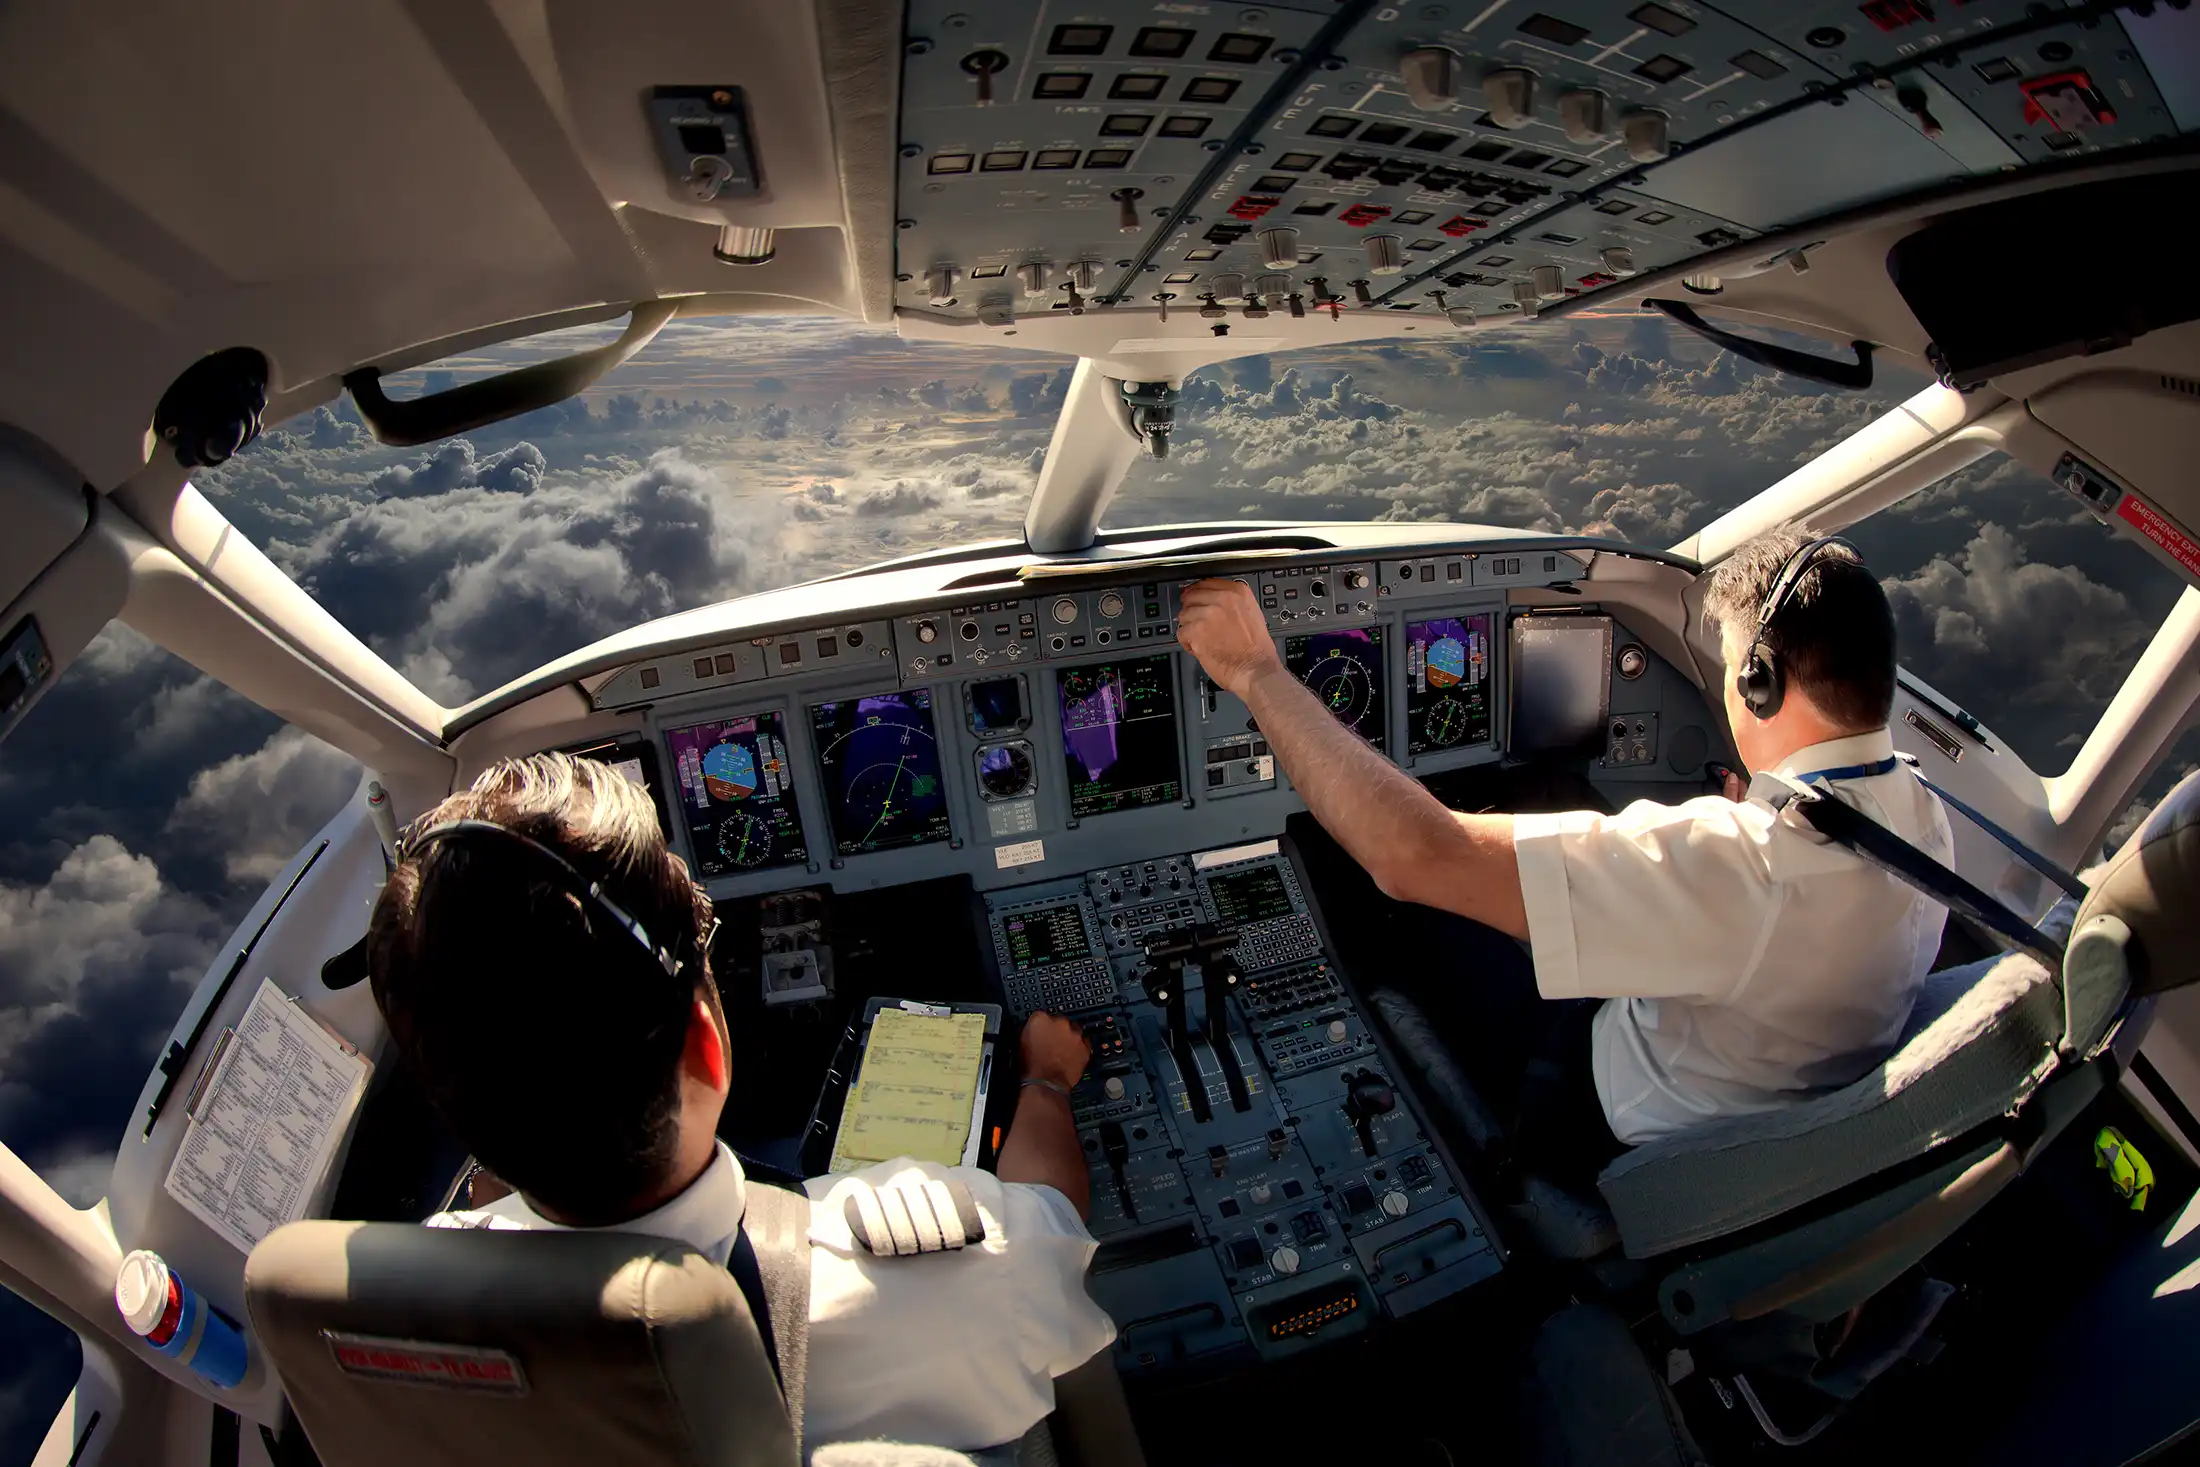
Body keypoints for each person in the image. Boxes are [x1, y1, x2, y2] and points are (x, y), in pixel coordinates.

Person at [368, 753, 1114, 1452]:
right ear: (707, 1043)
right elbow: (1052, 1214)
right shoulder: (965, 1266)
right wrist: (1046, 1077)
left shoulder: (404, 1337)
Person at [1176, 531, 1952, 1182]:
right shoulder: (1921, 817)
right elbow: (1780, 899)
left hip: (1605, 1120)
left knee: (1400, 913)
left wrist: (1257, 672)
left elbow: (1411, 854)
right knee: (1546, 806)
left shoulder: (1741, 863)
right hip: (1772, 1105)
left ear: (1760, 681)